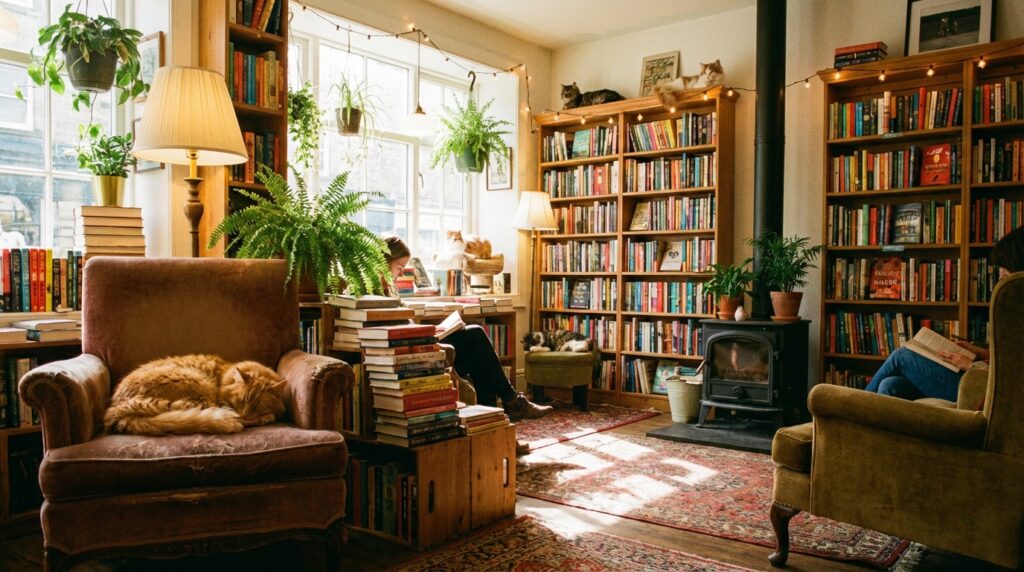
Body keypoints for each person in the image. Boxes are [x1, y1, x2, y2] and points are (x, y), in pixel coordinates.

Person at [381, 236, 553, 421]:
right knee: (476, 338)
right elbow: (391, 329)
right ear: (383, 263)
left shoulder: (388, 288)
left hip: (418, 344)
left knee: (477, 355)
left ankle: (493, 422)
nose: (400, 274)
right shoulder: (372, 287)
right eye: (399, 268)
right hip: (409, 353)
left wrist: (433, 330)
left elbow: (402, 324)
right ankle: (509, 407)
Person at [865, 226, 1024, 401]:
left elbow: (1013, 380)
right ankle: (868, 424)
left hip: (983, 392)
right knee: (890, 385)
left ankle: (853, 412)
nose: (999, 286)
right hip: (979, 380)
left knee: (901, 357)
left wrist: (972, 367)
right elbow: (1010, 359)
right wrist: (980, 353)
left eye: (1005, 278)